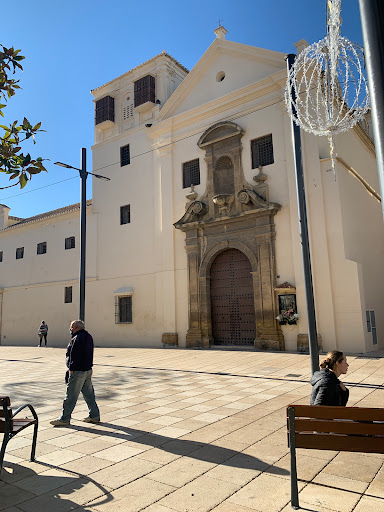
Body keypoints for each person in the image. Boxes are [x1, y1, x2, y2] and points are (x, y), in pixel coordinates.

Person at [50, 320, 100, 426]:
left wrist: (71, 367)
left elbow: (74, 354)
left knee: (71, 396)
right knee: (89, 394)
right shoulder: (88, 336)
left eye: (71, 327)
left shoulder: (77, 338)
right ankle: (94, 415)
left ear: (77, 328)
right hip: (87, 370)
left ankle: (64, 418)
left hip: (78, 371)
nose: (70, 330)